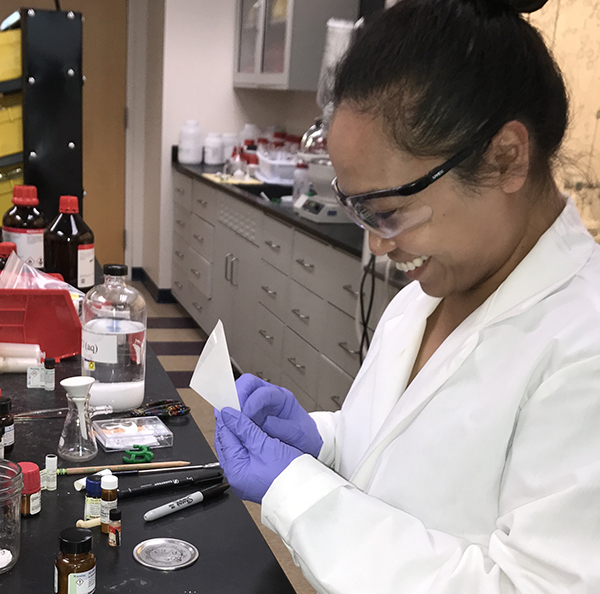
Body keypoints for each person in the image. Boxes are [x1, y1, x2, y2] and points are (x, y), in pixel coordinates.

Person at [214, 0, 600, 591]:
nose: (377, 245)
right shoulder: (429, 292)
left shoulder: (584, 345)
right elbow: (395, 463)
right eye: (358, 209)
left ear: (505, 159)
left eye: (388, 212)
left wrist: (296, 490)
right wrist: (323, 442)